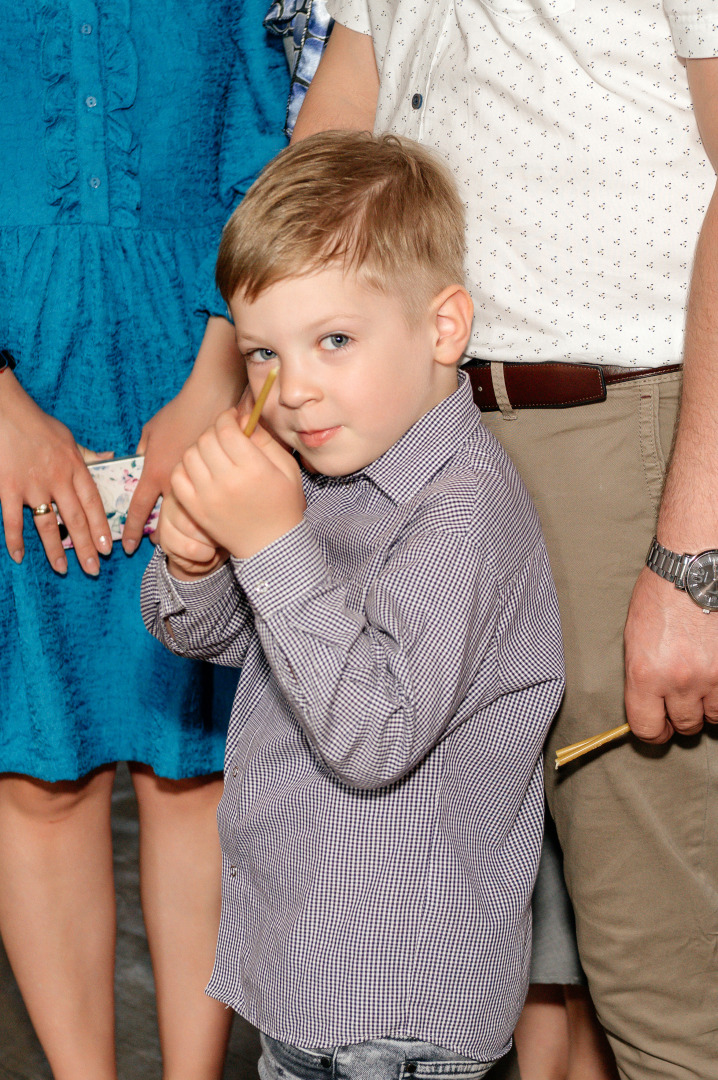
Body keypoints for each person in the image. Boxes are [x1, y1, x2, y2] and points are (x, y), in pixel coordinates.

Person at [286, 3, 718, 1078]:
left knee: (665, 979)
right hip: (417, 432)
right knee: (449, 950)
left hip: (619, 434)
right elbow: (339, 121)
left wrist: (692, 556)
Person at [141, 130, 565, 1079]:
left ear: (443, 328)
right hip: (302, 968)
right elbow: (229, 642)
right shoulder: (323, 471)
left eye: (333, 340)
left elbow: (373, 733)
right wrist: (198, 560)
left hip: (398, 1005)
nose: (292, 390)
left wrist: (269, 542)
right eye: (263, 352)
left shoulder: (464, 510)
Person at [0, 5, 288, 1079]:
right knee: (35, 766)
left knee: (195, 761)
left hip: (200, 348)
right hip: (15, 372)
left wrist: (217, 379)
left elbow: (264, 149)